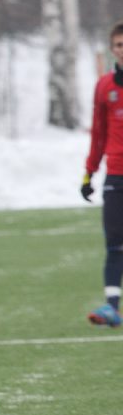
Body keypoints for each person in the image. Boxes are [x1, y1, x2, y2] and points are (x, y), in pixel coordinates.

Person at [84, 20, 123, 328]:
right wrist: (89, 173)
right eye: (119, 45)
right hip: (116, 175)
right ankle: (112, 308)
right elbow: (98, 133)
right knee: (114, 242)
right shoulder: (105, 87)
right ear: (112, 50)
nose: (122, 50)